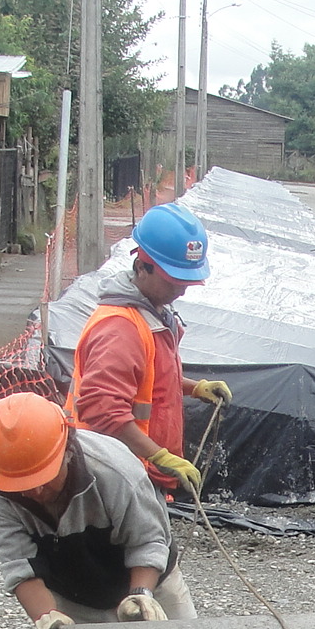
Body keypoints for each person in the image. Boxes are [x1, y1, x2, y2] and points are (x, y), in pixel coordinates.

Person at [0, 390, 192, 629]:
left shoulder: (115, 472)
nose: (35, 491)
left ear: (66, 451)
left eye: (43, 479)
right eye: (22, 484)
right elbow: (20, 566)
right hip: (76, 599)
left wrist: (142, 596)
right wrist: (47, 620)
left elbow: (147, 541)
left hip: (153, 582)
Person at [66, 201, 232, 501]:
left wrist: (194, 388)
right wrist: (159, 456)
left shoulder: (153, 313)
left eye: (187, 281)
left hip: (135, 471)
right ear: (142, 267)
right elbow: (102, 409)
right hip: (113, 476)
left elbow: (144, 379)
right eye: (173, 281)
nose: (182, 290)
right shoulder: (120, 328)